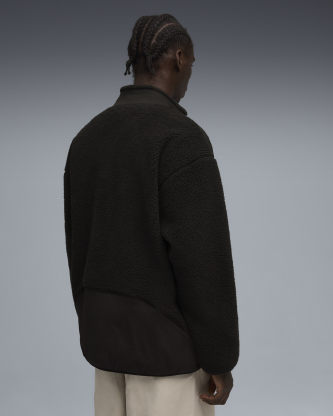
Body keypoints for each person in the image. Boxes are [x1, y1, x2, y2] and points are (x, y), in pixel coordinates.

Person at [63, 13, 240, 415]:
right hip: (168, 353)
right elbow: (203, 260)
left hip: (104, 341)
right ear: (178, 58)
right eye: (191, 61)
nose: (191, 71)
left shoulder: (86, 139)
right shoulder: (181, 139)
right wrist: (220, 357)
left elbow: (78, 245)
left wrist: (93, 318)